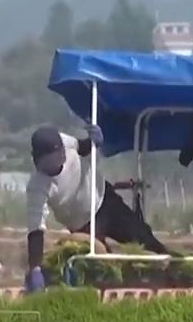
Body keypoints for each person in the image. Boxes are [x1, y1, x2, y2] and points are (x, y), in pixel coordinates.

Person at [24, 124, 172, 292]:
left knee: (141, 237)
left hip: (105, 201)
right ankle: (118, 291)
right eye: (53, 157)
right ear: (38, 160)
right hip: (83, 226)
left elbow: (83, 147)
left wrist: (94, 141)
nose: (60, 157)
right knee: (103, 265)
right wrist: (35, 268)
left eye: (60, 153)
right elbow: (36, 230)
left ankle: (171, 269)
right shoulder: (37, 187)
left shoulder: (65, 141)